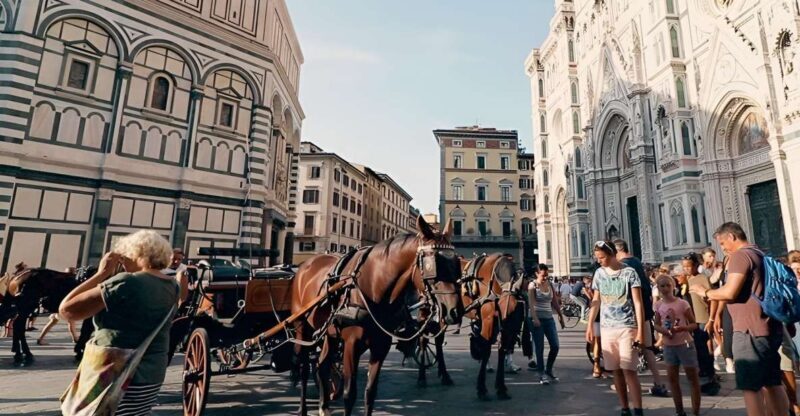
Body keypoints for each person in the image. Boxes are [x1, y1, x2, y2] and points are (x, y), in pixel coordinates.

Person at [59, 230, 179, 415]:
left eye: (126, 255)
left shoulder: (127, 282)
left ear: (137, 254)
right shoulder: (172, 285)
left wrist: (102, 273)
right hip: (151, 373)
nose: (123, 261)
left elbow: (67, 310)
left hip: (115, 372)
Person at [689, 222, 790, 416]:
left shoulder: (740, 256)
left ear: (732, 237)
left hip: (749, 330)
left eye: (722, 243)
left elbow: (730, 291)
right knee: (772, 382)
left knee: (751, 387)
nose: (722, 248)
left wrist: (706, 292)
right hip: (767, 326)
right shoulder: (759, 253)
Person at [586, 241, 646, 416]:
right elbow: (595, 301)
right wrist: (590, 324)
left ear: (612, 254)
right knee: (615, 370)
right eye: (597, 258)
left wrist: (641, 331)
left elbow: (638, 303)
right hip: (607, 328)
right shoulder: (599, 273)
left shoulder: (629, 272)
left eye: (602, 257)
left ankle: (638, 409)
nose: (599, 261)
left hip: (627, 326)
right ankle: (624, 407)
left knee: (629, 369)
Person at [613, 239, 669, 398]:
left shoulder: (624, 266)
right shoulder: (637, 261)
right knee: (648, 348)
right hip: (644, 311)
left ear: (618, 252)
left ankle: (629, 384)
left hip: (631, 314)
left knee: (628, 349)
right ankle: (658, 383)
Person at [654, 275, 702, 416]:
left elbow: (693, 324)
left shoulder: (682, 304)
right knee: (672, 379)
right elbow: (656, 324)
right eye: (662, 286)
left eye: (668, 285)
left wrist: (683, 328)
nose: (665, 289)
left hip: (685, 344)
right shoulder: (658, 305)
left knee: (692, 377)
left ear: (673, 286)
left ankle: (696, 411)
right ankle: (679, 410)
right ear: (658, 288)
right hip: (669, 345)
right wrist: (663, 331)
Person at [682, 253, 720, 394]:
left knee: (704, 349)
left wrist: (712, 319)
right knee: (697, 349)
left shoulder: (702, 278)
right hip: (691, 321)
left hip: (702, 319)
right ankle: (704, 374)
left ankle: (710, 378)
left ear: (696, 266)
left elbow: (713, 299)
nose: (686, 269)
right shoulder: (684, 280)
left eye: (688, 266)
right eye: (684, 266)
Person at [529, 264, 565, 384]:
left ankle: (549, 369)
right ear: (536, 274)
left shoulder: (549, 284)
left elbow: (554, 301)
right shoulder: (532, 285)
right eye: (543, 275)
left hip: (549, 319)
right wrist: (535, 319)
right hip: (537, 319)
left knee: (555, 346)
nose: (545, 278)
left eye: (547, 275)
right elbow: (531, 304)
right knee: (540, 348)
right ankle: (541, 373)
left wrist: (560, 315)